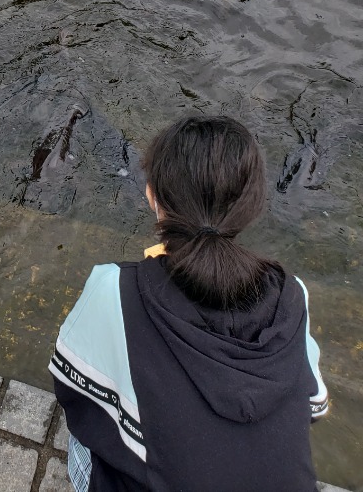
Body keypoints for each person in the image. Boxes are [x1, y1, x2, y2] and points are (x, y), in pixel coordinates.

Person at [50, 115, 328, 492]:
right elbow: (312, 406)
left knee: (84, 437)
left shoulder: (114, 287)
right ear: (254, 206)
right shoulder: (293, 295)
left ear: (151, 195)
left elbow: (70, 389)